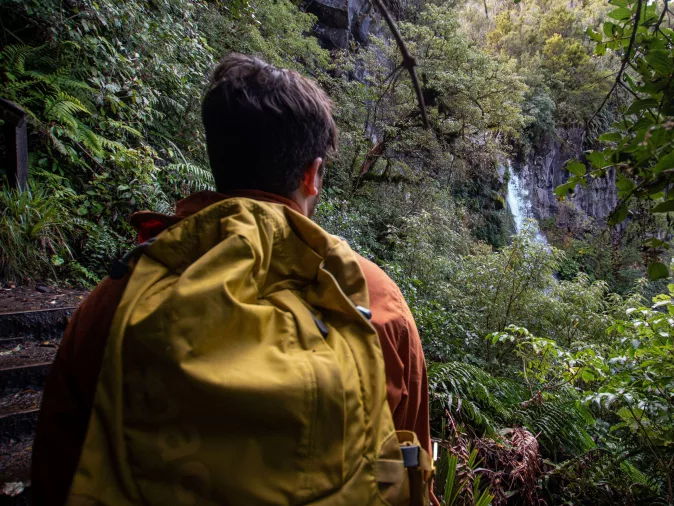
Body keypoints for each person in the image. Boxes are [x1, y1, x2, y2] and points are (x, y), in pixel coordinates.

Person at [32, 53, 434, 505]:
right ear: (312, 176)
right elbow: (410, 477)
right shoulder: (372, 300)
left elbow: (57, 474)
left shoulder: (117, 301)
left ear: (218, 157)